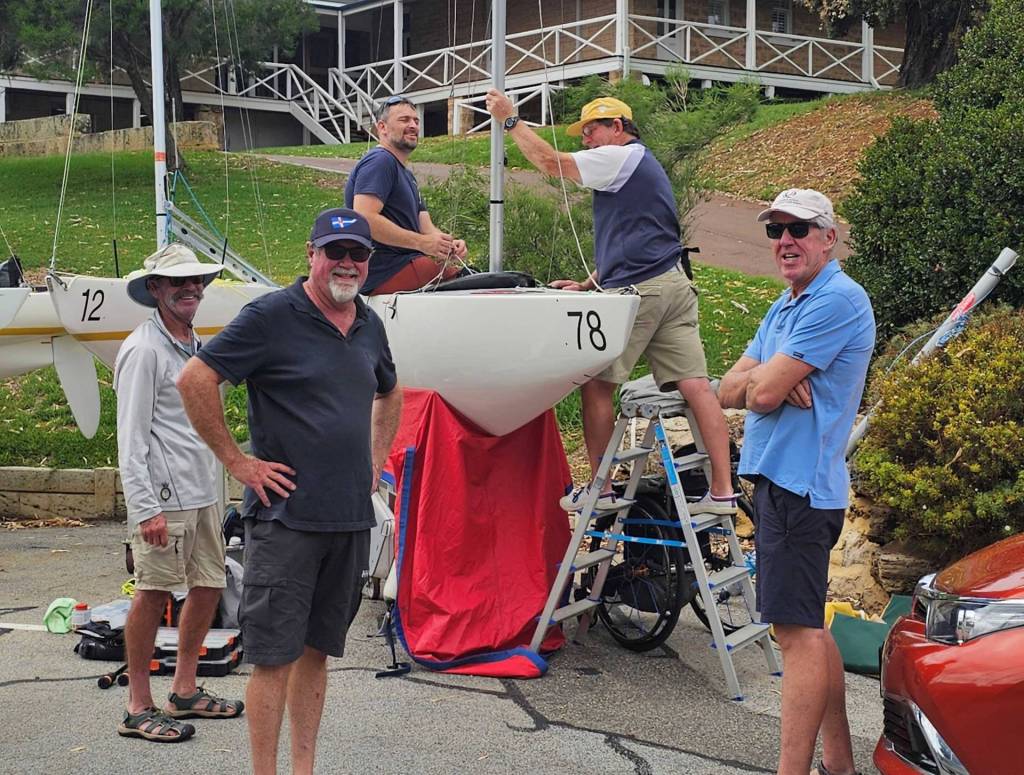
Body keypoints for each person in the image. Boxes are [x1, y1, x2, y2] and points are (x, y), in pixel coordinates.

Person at [176, 207, 403, 775]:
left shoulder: (368, 322)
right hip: (286, 521)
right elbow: (195, 378)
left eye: (358, 254)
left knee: (316, 653)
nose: (347, 263)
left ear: (368, 262)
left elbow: (390, 391)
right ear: (311, 254)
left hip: (348, 519)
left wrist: (375, 463)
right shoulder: (271, 316)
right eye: (335, 252)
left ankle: (304, 768)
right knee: (273, 657)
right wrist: (239, 463)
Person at [484, 90, 736, 513]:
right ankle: (723, 492)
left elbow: (550, 163)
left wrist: (510, 120)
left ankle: (600, 491)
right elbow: (637, 236)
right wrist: (588, 284)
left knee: (597, 384)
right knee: (696, 386)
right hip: (673, 284)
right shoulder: (642, 163)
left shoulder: (619, 157)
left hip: (642, 291)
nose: (586, 141)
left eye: (591, 131)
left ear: (617, 128)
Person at [718, 189, 874, 775]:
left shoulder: (835, 299)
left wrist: (766, 383)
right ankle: (839, 762)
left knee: (796, 635)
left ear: (829, 238)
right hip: (784, 484)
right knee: (808, 626)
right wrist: (772, 378)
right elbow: (728, 388)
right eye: (775, 230)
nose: (785, 240)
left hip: (799, 489)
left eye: (799, 229)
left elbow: (755, 393)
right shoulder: (788, 304)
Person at [114, 243, 244, 743]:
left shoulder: (193, 342)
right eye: (178, 281)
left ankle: (184, 690)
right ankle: (137, 706)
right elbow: (130, 438)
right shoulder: (143, 349)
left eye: (197, 280)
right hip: (164, 500)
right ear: (155, 289)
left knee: (209, 584)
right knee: (153, 593)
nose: (191, 288)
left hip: (203, 492)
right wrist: (145, 508)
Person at [345, 95, 469, 294]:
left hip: (406, 266)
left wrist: (448, 245)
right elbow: (364, 218)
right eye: (404, 120)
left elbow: (426, 228)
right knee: (472, 283)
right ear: (382, 127)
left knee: (472, 279)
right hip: (383, 271)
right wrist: (421, 243)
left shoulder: (407, 175)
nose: (413, 125)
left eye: (416, 121)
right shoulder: (380, 161)